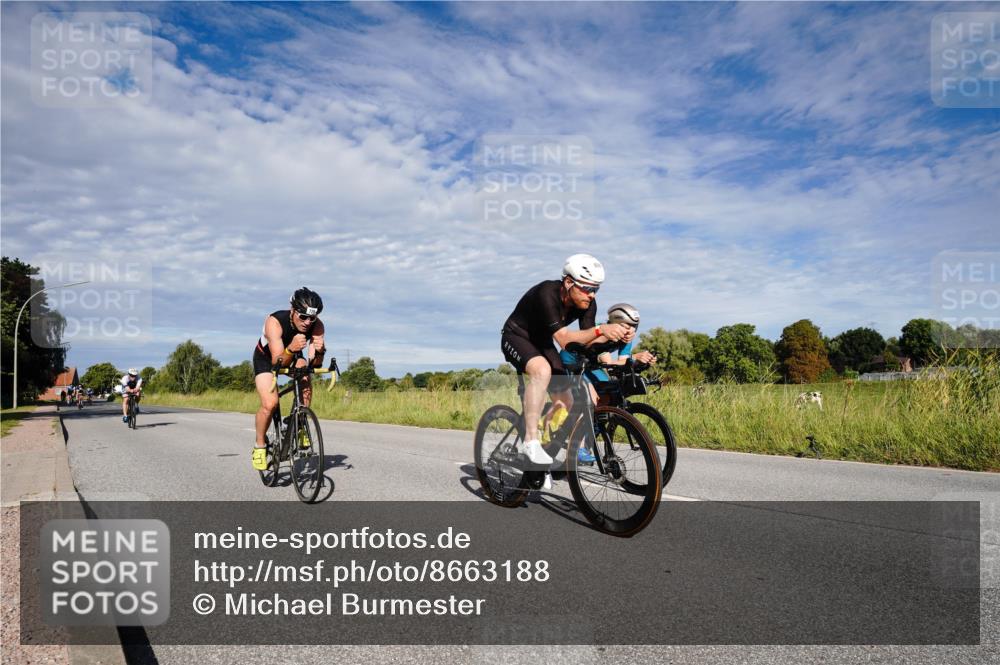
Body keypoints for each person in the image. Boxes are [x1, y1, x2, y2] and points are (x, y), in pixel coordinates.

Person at [500, 254, 632, 486]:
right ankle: (530, 442)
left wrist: (616, 339)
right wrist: (602, 330)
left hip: (542, 342)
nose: (591, 295)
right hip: (516, 335)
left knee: (567, 398)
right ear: (569, 283)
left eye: (596, 290)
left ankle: (546, 449)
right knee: (541, 371)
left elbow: (587, 341)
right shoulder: (546, 293)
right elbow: (563, 339)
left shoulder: (587, 304)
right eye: (587, 289)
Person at [251, 287, 326, 471]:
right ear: (292, 311)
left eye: (312, 318)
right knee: (270, 403)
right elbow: (278, 360)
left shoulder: (317, 326)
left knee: (304, 372)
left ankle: (299, 421)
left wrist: (320, 351)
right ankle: (259, 445)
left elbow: (315, 364)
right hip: (268, 359)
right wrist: (291, 349)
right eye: (303, 316)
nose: (308, 322)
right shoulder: (275, 321)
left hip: (292, 353)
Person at [560, 302, 657, 407]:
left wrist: (641, 361)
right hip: (572, 363)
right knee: (592, 401)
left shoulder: (627, 337)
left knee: (610, 395)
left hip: (590, 364)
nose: (630, 332)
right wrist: (635, 357)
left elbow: (623, 362)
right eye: (626, 327)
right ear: (614, 324)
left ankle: (600, 421)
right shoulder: (604, 333)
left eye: (634, 327)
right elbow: (608, 364)